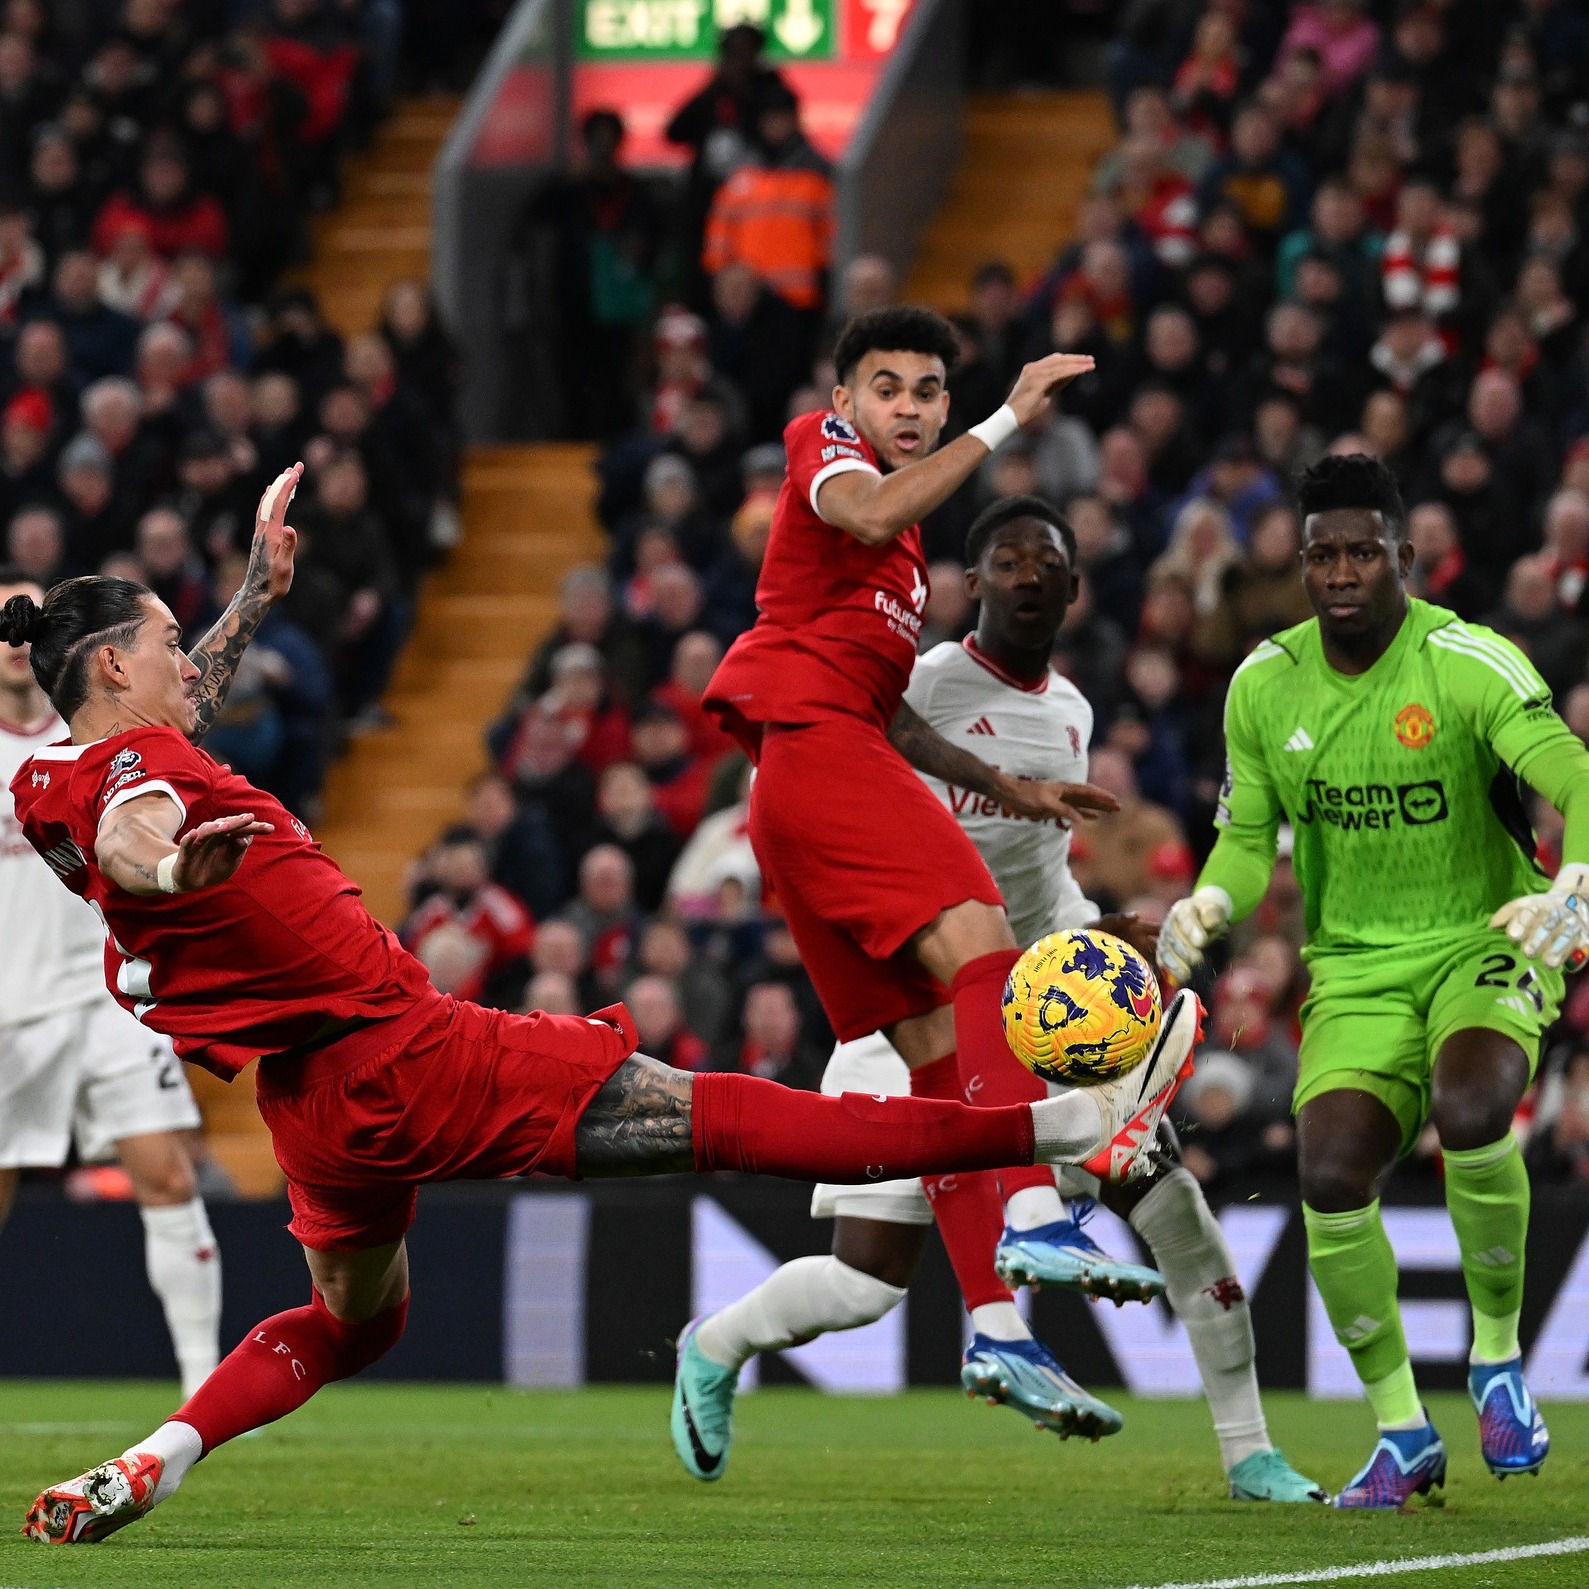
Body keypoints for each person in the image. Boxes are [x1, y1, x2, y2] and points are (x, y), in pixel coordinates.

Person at [7, 468, 1195, 1544]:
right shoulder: (118, 787)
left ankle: (157, 1456)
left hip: (311, 1103)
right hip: (409, 1054)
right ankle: (1058, 1127)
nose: (184, 657)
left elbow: (162, 738)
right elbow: (135, 832)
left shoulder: (78, 762)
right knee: (728, 1115)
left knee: (358, 1325)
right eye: (164, 639)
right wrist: (170, 871)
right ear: (112, 664)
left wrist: (257, 592)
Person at [678, 498, 1322, 1503]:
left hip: (1035, 1014)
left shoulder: (1069, 714)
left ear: (1072, 587)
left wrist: (1105, 927)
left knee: (1178, 1211)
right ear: (968, 586)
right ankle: (714, 1342)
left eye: (1048, 562)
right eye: (1006, 560)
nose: (1028, 575)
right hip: (913, 1017)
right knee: (863, 1282)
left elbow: (1038, 877)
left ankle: (1249, 1452)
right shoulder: (914, 688)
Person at [697, 307, 1199, 1470]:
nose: (910, 407)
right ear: (847, 397)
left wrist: (999, 783)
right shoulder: (826, 452)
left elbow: (891, 706)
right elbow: (867, 508)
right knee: (986, 946)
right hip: (814, 752)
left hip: (825, 757)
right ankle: (1030, 1210)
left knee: (936, 1051)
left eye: (929, 389)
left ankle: (991, 1326)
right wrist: (1006, 416)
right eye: (890, 388)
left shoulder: (901, 557)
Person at [1157, 454, 1589, 1508]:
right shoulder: (1262, 682)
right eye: (1320, 554)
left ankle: (1494, 1359)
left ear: (1402, 554)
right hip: (1350, 965)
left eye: (1360, 550)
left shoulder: (1465, 659)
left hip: (1481, 934)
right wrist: (1209, 901)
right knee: (1330, 1172)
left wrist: (1570, 883)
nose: (1340, 570)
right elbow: (1246, 838)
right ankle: (1400, 1428)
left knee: (1472, 1100)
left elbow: (1573, 773)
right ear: (1300, 564)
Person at [0, 565, 221, 1403]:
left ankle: (204, 1379)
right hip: (6, 1008)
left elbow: (184, 690)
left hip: (105, 997)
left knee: (166, 1171)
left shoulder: (95, 742)